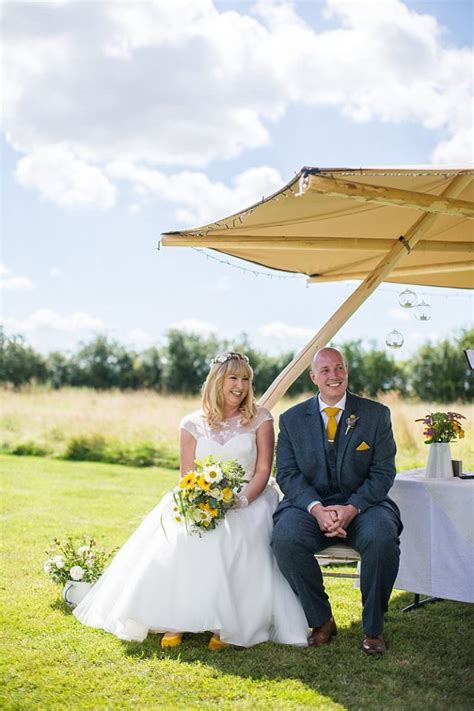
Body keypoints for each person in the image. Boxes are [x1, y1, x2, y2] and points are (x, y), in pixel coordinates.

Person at [74, 352, 308, 649]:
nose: (240, 385)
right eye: (233, 378)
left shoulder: (260, 418)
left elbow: (263, 469)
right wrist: (202, 499)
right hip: (201, 497)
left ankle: (227, 625)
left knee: (235, 537)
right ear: (216, 381)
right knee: (184, 536)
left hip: (251, 498)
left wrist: (241, 501)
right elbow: (186, 474)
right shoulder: (191, 423)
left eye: (246, 379)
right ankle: (177, 618)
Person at [271, 347, 402, 655]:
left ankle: (373, 628)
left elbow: (383, 473)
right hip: (309, 508)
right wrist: (316, 509)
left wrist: (352, 508)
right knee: (285, 539)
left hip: (363, 506)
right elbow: (288, 475)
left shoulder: (376, 414)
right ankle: (321, 620)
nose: (334, 375)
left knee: (382, 538)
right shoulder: (290, 420)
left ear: (347, 372)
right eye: (326, 370)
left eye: (339, 368)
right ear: (313, 376)